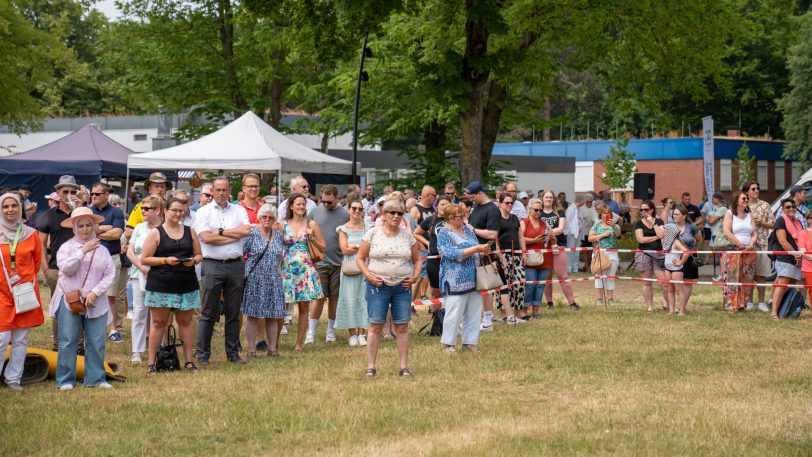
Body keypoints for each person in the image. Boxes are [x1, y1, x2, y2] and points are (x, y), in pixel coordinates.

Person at [51, 207, 116, 390]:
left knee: (96, 341)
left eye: (89, 225)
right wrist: (82, 251)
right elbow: (66, 269)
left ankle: (95, 378)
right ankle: (65, 380)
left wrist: (95, 291)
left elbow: (109, 273)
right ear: (74, 227)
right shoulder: (66, 248)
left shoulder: (102, 250)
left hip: (95, 301)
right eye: (81, 226)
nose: (85, 229)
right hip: (70, 300)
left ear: (94, 226)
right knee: (68, 340)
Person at [356, 199, 421, 377]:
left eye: (400, 213)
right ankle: (371, 367)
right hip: (377, 286)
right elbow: (360, 258)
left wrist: (415, 277)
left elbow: (417, 259)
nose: (396, 216)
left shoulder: (407, 235)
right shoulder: (372, 234)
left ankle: (404, 367)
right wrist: (369, 276)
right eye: (392, 212)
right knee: (375, 326)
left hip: (402, 286)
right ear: (383, 214)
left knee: (402, 327)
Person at [140, 198, 203, 373]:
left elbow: (199, 255)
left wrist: (193, 261)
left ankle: (189, 361)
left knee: (186, 322)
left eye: (180, 211)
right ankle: (151, 363)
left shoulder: (191, 231)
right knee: (158, 323)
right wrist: (164, 260)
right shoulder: (156, 233)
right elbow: (144, 258)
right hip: (161, 284)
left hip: (186, 283)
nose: (177, 213)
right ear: (165, 211)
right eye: (174, 210)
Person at [194, 177, 251, 365]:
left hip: (235, 264)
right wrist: (229, 234)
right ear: (212, 191)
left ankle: (233, 353)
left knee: (234, 311)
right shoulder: (203, 212)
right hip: (212, 264)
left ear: (229, 191)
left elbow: (245, 232)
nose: (220, 193)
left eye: (224, 190)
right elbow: (205, 238)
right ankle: (202, 355)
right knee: (208, 311)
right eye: (217, 190)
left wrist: (218, 232)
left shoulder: (239, 210)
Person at [0, 193, 43, 391]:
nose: (10, 210)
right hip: (1, 293)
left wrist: (22, 283)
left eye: (14, 206)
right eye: (5, 206)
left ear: (20, 208)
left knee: (20, 338)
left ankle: (13, 378)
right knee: (1, 338)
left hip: (24, 292)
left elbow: (35, 264)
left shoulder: (31, 234)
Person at [39, 175, 83, 352]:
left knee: (79, 305)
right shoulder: (49, 215)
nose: (69, 194)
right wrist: (46, 269)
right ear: (57, 193)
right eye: (65, 191)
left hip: (80, 267)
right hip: (56, 268)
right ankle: (58, 346)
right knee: (58, 308)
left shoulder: (81, 213)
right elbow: (41, 243)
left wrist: (79, 208)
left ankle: (79, 346)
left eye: (73, 191)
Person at [437, 203, 490, 352]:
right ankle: (449, 344)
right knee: (454, 313)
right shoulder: (444, 233)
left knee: (474, 312)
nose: (463, 218)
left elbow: (474, 247)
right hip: (454, 280)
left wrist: (481, 252)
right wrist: (475, 249)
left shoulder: (467, 229)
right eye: (460, 216)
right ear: (450, 218)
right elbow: (451, 253)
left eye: (463, 215)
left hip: (474, 277)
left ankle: (470, 343)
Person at [282, 193, 325, 352]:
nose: (301, 207)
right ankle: (275, 342)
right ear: (291, 206)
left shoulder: (311, 224)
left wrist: (311, 238)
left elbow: (322, 247)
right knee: (282, 306)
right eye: (298, 204)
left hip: (305, 269)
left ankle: (299, 344)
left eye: (303, 204)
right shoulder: (283, 225)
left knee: (303, 308)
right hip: (288, 269)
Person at [242, 204, 286, 356]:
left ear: (274, 219)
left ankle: (272, 349)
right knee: (253, 315)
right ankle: (251, 350)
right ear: (259, 218)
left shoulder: (279, 234)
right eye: (264, 217)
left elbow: (281, 255)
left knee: (272, 315)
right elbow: (241, 251)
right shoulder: (252, 233)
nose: (267, 220)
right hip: (255, 278)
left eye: (271, 217)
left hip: (273, 279)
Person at [307, 185, 348, 344]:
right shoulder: (315, 211)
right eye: (323, 201)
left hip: (338, 262)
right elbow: (306, 227)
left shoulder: (345, 214)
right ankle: (310, 332)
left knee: (334, 298)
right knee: (319, 297)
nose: (325, 204)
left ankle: (330, 331)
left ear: (337, 198)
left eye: (329, 202)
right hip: (320, 261)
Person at [125, 195, 163, 364]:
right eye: (142, 208)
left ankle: (160, 348)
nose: (143, 211)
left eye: (146, 208)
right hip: (137, 275)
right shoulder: (139, 227)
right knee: (139, 313)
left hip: (161, 275)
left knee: (159, 315)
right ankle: (137, 351)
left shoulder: (165, 228)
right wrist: (141, 267)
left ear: (157, 210)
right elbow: (130, 251)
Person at [89, 182, 127, 344]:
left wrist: (97, 231)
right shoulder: (88, 212)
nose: (94, 196)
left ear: (106, 195)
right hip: (90, 258)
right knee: (89, 293)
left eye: (97, 194)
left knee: (110, 295)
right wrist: (106, 228)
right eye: (92, 194)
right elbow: (85, 232)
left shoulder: (116, 211)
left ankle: (113, 330)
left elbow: (117, 234)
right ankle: (91, 327)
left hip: (111, 258)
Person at [464, 181, 501, 331]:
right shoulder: (477, 206)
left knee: (486, 288)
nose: (470, 199)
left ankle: (487, 322)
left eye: (472, 196)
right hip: (473, 252)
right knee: (473, 289)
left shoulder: (492, 210)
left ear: (480, 193)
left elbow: (492, 234)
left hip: (483, 253)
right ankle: (472, 320)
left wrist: (472, 228)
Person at [336, 199, 370, 347]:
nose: (357, 211)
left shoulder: (369, 227)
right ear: (349, 210)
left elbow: (372, 246)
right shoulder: (343, 229)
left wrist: (354, 247)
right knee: (349, 299)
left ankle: (362, 333)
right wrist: (361, 246)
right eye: (354, 208)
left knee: (364, 299)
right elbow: (344, 249)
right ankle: (352, 335)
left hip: (366, 268)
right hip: (349, 269)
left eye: (359, 209)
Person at [538, 190, 579, 310]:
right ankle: (549, 302)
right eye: (546, 197)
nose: (548, 199)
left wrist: (546, 233)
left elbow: (561, 228)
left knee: (562, 275)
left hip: (559, 246)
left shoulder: (559, 212)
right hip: (543, 247)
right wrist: (547, 234)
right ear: (542, 198)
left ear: (554, 199)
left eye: (551, 197)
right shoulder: (538, 212)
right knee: (547, 276)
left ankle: (572, 302)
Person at [721, 191, 757, 313]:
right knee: (732, 277)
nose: (746, 200)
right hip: (734, 249)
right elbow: (727, 231)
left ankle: (743, 304)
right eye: (744, 199)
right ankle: (731, 304)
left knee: (747, 278)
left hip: (749, 250)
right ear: (736, 200)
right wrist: (740, 245)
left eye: (747, 198)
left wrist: (751, 244)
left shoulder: (749, 215)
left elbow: (754, 232)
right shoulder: (729, 213)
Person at [742, 181, 775, 312]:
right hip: (747, 244)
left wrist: (762, 222)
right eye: (753, 189)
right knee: (748, 275)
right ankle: (749, 301)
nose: (756, 191)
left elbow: (772, 224)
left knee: (762, 275)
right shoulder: (742, 205)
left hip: (762, 243)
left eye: (757, 188)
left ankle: (761, 302)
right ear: (746, 191)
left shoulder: (765, 205)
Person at [769, 198, 803, 320]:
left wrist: (800, 255)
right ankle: (773, 313)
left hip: (796, 257)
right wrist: (796, 254)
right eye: (788, 207)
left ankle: (785, 310)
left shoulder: (798, 222)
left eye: (793, 206)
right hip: (784, 257)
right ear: (782, 209)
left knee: (792, 284)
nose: (791, 209)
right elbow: (783, 241)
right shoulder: (780, 220)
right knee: (782, 284)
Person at [414, 196, 451, 309]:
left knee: (451, 290)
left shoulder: (454, 220)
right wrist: (427, 243)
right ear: (436, 206)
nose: (445, 207)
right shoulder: (430, 220)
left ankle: (452, 317)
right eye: (442, 204)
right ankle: (436, 318)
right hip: (434, 258)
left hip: (451, 259)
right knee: (435, 291)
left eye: (447, 204)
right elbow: (416, 233)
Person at [496, 193, 526, 323]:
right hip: (502, 255)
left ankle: (519, 311)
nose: (509, 205)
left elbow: (520, 236)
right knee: (503, 285)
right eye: (506, 203)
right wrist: (500, 256)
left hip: (516, 254)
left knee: (520, 282)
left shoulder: (515, 218)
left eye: (511, 203)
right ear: (500, 203)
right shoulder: (496, 219)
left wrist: (523, 252)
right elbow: (494, 238)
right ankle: (504, 312)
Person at [635, 200, 667, 313]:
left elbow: (662, 235)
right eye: (642, 210)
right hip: (644, 253)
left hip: (658, 254)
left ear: (652, 210)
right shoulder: (639, 223)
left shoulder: (659, 221)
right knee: (647, 282)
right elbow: (640, 240)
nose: (644, 212)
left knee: (664, 282)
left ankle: (667, 304)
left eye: (646, 209)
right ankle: (649, 307)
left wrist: (653, 224)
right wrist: (656, 237)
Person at [668, 205, 701, 315]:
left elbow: (698, 239)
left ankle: (682, 307)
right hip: (675, 258)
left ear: (684, 216)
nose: (674, 216)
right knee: (674, 285)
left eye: (677, 214)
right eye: (673, 214)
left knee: (687, 283)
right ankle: (674, 307)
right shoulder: (671, 226)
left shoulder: (691, 227)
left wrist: (695, 250)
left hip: (689, 257)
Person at [521, 198, 551, 317]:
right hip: (529, 258)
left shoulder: (544, 223)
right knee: (530, 284)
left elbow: (551, 238)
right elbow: (520, 239)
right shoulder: (524, 222)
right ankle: (524, 308)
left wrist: (552, 238)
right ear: (529, 209)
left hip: (543, 258)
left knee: (540, 285)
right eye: (536, 210)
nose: (538, 212)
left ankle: (536, 309)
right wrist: (534, 240)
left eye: (540, 210)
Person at [588, 203, 620, 306]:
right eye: (604, 213)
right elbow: (590, 238)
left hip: (612, 254)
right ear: (600, 215)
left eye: (609, 213)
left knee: (610, 277)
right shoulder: (596, 226)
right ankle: (599, 299)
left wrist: (614, 226)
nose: (607, 215)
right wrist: (602, 235)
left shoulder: (615, 226)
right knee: (599, 277)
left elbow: (619, 235)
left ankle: (610, 299)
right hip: (599, 254)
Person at [126, 172, 171, 238]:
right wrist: (148, 233)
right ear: (149, 189)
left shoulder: (170, 206)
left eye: (162, 186)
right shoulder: (141, 206)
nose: (160, 189)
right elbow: (128, 232)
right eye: (156, 186)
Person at [794, 211, 812, 305]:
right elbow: (802, 251)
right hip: (808, 267)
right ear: (808, 219)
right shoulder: (803, 233)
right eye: (811, 217)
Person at [564, 195, 583, 273]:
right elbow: (567, 221)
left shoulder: (578, 209)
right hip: (571, 233)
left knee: (576, 251)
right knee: (570, 251)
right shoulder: (571, 208)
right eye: (583, 202)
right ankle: (568, 268)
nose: (583, 204)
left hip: (577, 233)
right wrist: (566, 232)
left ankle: (575, 269)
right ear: (580, 201)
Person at [578, 195, 597, 272]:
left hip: (593, 232)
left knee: (592, 249)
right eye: (587, 202)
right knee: (586, 250)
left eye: (590, 202)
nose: (589, 203)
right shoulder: (581, 209)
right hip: (585, 232)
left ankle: (591, 265)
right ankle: (586, 264)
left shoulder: (595, 208)